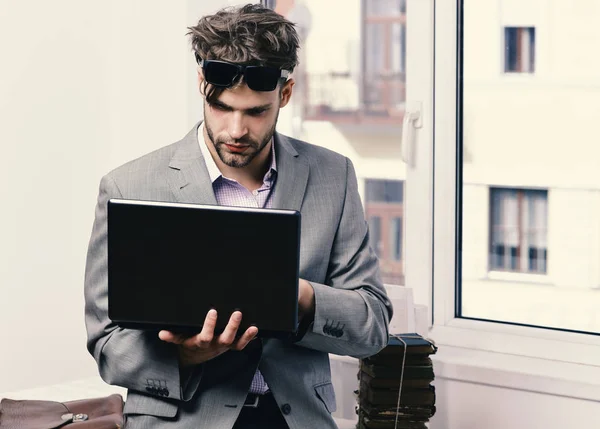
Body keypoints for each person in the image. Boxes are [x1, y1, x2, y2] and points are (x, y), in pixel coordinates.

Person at [84, 4, 392, 429]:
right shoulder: (129, 186)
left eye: (255, 112)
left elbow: (372, 325)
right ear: (202, 85)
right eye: (222, 107)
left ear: (284, 95)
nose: (235, 130)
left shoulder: (332, 177)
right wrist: (186, 353)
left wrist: (296, 295)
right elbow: (105, 345)